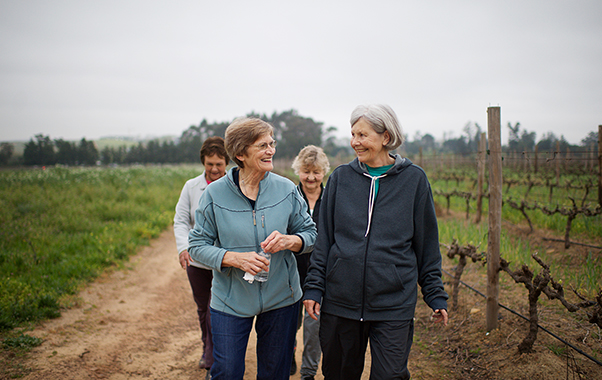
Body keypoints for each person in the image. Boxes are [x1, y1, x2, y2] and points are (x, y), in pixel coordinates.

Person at [303, 104, 449, 380]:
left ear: (386, 137)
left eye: (363, 135)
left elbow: (427, 244)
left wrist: (434, 293)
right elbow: (324, 241)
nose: (355, 142)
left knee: (390, 375)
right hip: (340, 302)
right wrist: (313, 288)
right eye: (353, 134)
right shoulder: (340, 179)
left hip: (393, 303)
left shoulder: (414, 180)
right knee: (338, 374)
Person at [188, 117, 317, 380]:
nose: (271, 151)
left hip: (281, 298)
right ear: (240, 154)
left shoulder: (287, 189)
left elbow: (311, 234)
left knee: (274, 373)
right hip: (230, 301)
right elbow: (196, 246)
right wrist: (231, 257)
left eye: (272, 143)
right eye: (262, 146)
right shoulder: (214, 195)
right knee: (227, 372)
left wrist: (290, 241)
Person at [173, 136, 229, 378]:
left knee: (214, 309)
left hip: (224, 262)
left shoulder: (234, 185)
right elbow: (181, 220)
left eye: (219, 164)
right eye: (210, 164)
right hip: (196, 261)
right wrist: (183, 248)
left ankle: (213, 358)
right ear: (203, 163)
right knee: (202, 308)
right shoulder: (191, 187)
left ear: (227, 162)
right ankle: (208, 346)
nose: (215, 169)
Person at [290, 145, 330, 380]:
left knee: (314, 328)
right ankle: (289, 354)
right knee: (289, 325)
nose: (311, 178)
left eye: (316, 172)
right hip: (291, 273)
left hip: (321, 275)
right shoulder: (289, 196)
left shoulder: (332, 198)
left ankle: (308, 372)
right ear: (298, 171)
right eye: (306, 172)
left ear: (324, 171)